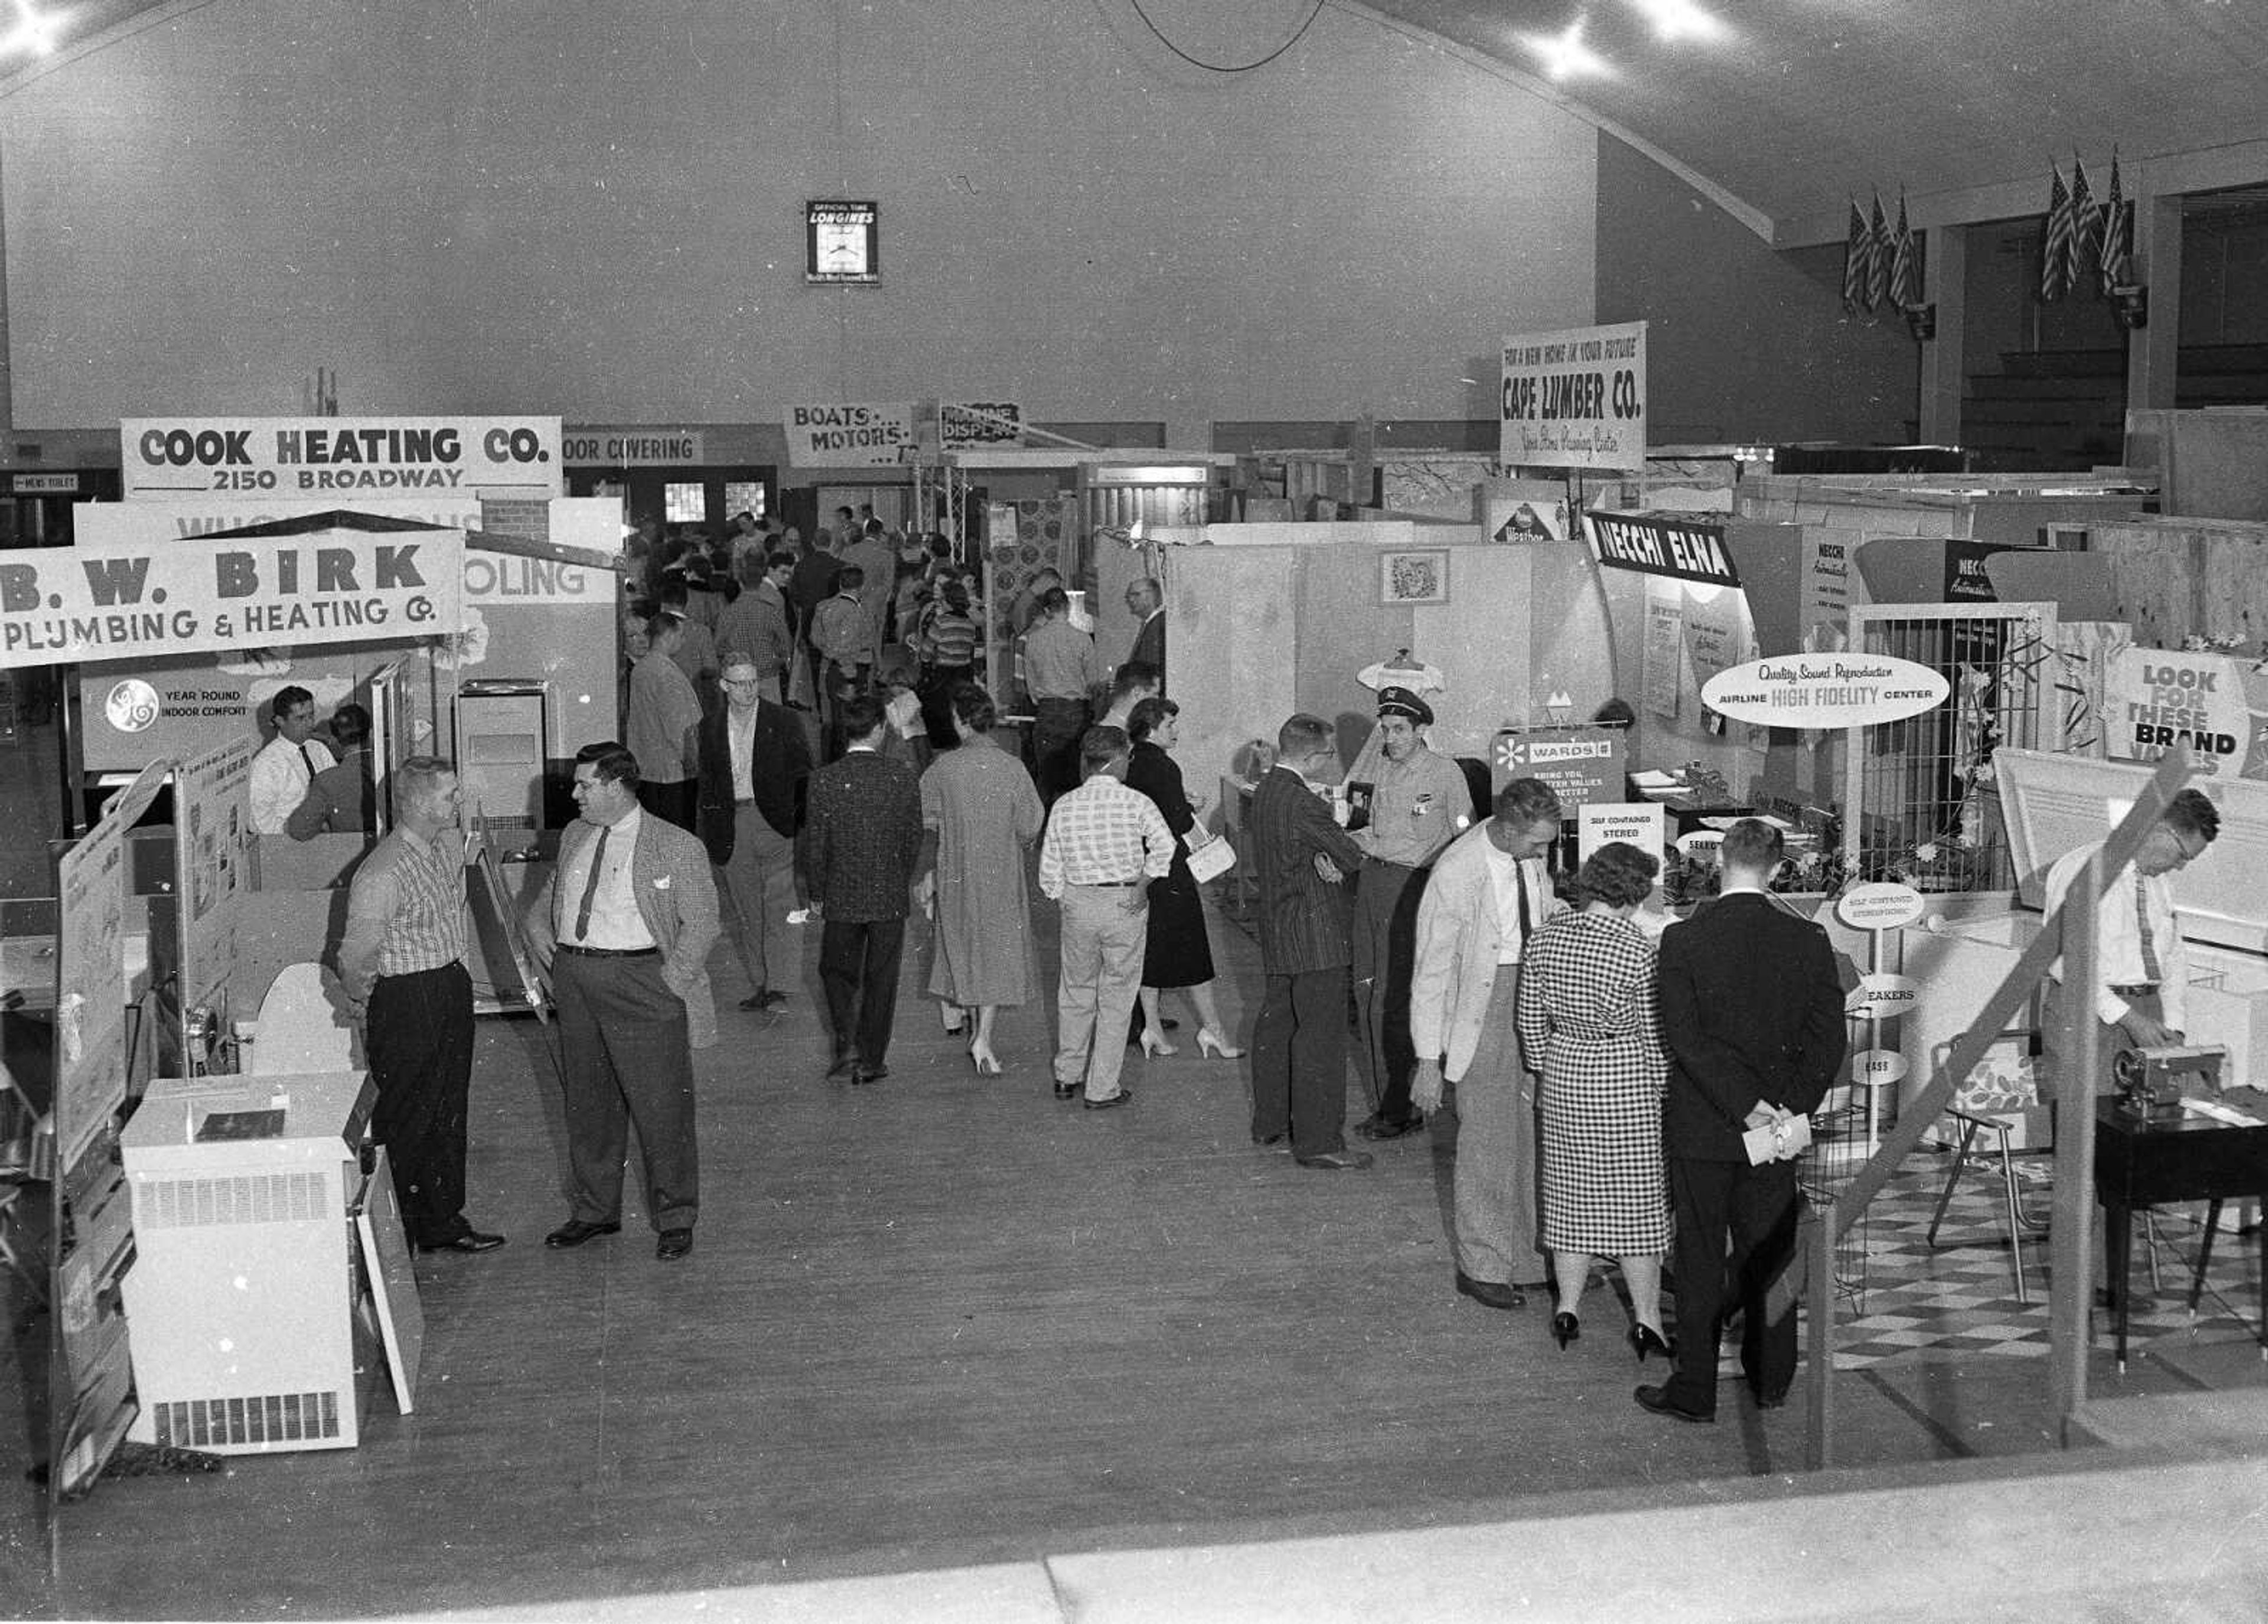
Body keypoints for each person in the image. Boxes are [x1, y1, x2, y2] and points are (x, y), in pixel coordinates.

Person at [1638, 818, 1846, 1423]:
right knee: (1771, 1253)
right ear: (1779, 869)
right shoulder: (1808, 940)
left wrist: (1740, 1103)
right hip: (1778, 1130)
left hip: (1705, 1125)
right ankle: (1772, 1380)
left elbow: (1685, 1039)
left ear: (1720, 862)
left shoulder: (1683, 940)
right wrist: (1784, 1109)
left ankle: (1695, 1389)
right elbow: (1827, 1039)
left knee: (1700, 1257)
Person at [525, 742, 719, 1263]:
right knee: (588, 1103)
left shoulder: (675, 846)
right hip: (577, 979)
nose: (575, 794)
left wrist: (670, 983)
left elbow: (701, 925)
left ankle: (676, 1217)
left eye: (586, 784)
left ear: (616, 786)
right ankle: (595, 1211)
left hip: (642, 982)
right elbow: (555, 891)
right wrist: (538, 924)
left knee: (662, 1106)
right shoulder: (574, 834)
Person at [1409, 777, 1569, 1306]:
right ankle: (1483, 1265)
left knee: (1533, 1133)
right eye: (1537, 843)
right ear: (1505, 828)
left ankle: (1529, 1257)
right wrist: (1428, 1061)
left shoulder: (1528, 856)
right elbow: (1430, 974)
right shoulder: (1456, 872)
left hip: (1534, 991)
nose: (1544, 853)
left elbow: (1538, 913)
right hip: (1484, 1009)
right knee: (1486, 1141)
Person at [334, 756, 501, 1254]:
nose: (459, 801)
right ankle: (397, 1237)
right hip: (406, 997)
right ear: (418, 804)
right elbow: (357, 953)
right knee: (406, 1117)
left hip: (449, 986)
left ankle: (442, 1220)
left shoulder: (443, 846)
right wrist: (366, 1000)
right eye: (450, 795)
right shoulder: (381, 872)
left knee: (449, 1110)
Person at [1515, 842, 1671, 1357]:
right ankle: (1648, 1321)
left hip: (1565, 1072)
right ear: (1632, 896)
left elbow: (1530, 1023)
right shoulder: (1636, 949)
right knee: (1637, 1203)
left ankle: (1568, 1309)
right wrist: (1665, 1090)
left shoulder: (1546, 938)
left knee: (1568, 1195)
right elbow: (1652, 1035)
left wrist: (1546, 1063)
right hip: (1622, 1075)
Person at [1347, 687, 1471, 1142]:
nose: (1391, 737)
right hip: (1372, 882)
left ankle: (1402, 1107)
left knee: (1394, 997)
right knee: (1366, 989)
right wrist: (1344, 849)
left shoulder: (1445, 774)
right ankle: (1386, 1101)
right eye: (1386, 728)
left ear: (1422, 730)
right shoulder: (1379, 767)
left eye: (1400, 729)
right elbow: (1366, 828)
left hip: (1412, 887)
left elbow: (1464, 836)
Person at [1248, 713, 1372, 1169]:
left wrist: (1321, 849)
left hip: (1281, 928)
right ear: (1313, 754)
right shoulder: (1304, 802)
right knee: (1321, 1036)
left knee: (1278, 1026)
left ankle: (1271, 1122)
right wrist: (1334, 849)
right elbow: (1352, 855)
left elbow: (1301, 847)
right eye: (1329, 753)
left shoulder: (1267, 790)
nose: (1331, 760)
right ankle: (1320, 1143)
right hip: (1315, 933)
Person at [2041, 786, 2221, 1084]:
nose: (2180, 866)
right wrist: (2129, 1019)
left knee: (2143, 1125)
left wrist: (2174, 1028)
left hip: (2146, 1014)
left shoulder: (2158, 883)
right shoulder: (2083, 869)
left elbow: (2173, 958)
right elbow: (2066, 962)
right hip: (2086, 1014)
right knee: (2089, 1126)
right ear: (2161, 830)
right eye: (2182, 855)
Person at [1038, 725, 1175, 1110]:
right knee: (1116, 996)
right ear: (1116, 760)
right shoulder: (1138, 803)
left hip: (1079, 905)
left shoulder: (1065, 805)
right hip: (1124, 902)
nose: (1130, 764)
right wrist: (1143, 885)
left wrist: (1066, 898)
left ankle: (1067, 1075)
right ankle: (1103, 1087)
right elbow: (1165, 846)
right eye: (1128, 757)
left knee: (1075, 991)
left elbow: (1049, 868)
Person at [918, 683, 1044, 1075]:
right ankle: (984, 1035)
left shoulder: (943, 769)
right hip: (1001, 872)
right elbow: (1031, 824)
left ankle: (973, 1024)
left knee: (965, 944)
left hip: (956, 872)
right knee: (996, 948)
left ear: (959, 722)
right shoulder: (1013, 768)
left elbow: (924, 819)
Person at [806, 695, 924, 1084]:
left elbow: (817, 844)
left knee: (836, 971)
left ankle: (846, 1042)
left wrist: (817, 893)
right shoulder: (902, 776)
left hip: (841, 896)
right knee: (882, 978)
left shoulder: (824, 779)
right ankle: (871, 1059)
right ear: (880, 730)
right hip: (888, 894)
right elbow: (912, 840)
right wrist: (899, 877)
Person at [1122, 697, 1241, 1060]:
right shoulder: (1165, 766)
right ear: (1152, 727)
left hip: (1142, 868)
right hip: (1171, 869)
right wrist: (1190, 808)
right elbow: (1176, 822)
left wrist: (1179, 804)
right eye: (1170, 725)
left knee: (1150, 951)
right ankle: (1214, 1030)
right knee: (1195, 954)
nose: (1176, 731)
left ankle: (1153, 1029)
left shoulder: (1132, 762)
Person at [696, 654, 812, 1018]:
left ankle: (781, 986)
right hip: (732, 825)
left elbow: (804, 775)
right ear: (724, 686)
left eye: (752, 682)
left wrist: (798, 824)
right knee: (748, 911)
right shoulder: (708, 728)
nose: (748, 690)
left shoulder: (785, 720)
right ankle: (764, 984)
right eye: (739, 683)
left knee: (782, 906)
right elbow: (707, 786)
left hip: (775, 824)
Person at [1021, 586, 1107, 804]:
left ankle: (1046, 826)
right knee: (1077, 774)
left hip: (1047, 712)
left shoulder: (1033, 640)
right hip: (1077, 712)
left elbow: (1031, 686)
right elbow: (1093, 684)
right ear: (1068, 608)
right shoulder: (1083, 639)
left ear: (1047, 611)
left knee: (1046, 774)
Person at [626, 609, 703, 831]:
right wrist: (695, 765)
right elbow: (681, 729)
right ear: (669, 636)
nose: (683, 640)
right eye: (681, 635)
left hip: (648, 769)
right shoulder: (666, 673)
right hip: (673, 775)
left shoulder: (642, 668)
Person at [249, 684, 335, 834]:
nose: (310, 724)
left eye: (311, 715)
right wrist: (298, 831)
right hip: (291, 844)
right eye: (301, 718)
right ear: (280, 721)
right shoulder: (266, 764)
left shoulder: (319, 749)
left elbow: (336, 791)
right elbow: (258, 824)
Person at [713, 551, 796, 702]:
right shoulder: (771, 611)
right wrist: (778, 660)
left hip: (739, 676)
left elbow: (718, 647)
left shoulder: (727, 613)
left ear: (740, 584)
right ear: (760, 584)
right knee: (771, 719)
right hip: (768, 675)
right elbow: (785, 643)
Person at [286, 700, 376, 839]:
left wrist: (324, 823)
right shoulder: (393, 769)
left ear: (334, 740)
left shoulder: (327, 781)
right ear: (371, 734)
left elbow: (299, 830)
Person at [914, 578, 980, 749]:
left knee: (939, 717)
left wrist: (925, 656)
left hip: (943, 676)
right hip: (964, 674)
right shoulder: (969, 623)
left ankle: (941, 753)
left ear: (949, 601)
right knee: (959, 713)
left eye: (942, 599)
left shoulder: (941, 621)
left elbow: (926, 652)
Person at [1125, 577, 1165, 691]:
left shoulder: (1158, 625)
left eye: (1136, 595)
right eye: (1129, 596)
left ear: (1151, 596)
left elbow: (1152, 668)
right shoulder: (1153, 624)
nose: (1131, 600)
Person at [1097, 660, 1160, 733]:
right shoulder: (1109, 737)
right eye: (1155, 694)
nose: (1158, 700)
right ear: (1137, 692)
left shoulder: (1129, 730)